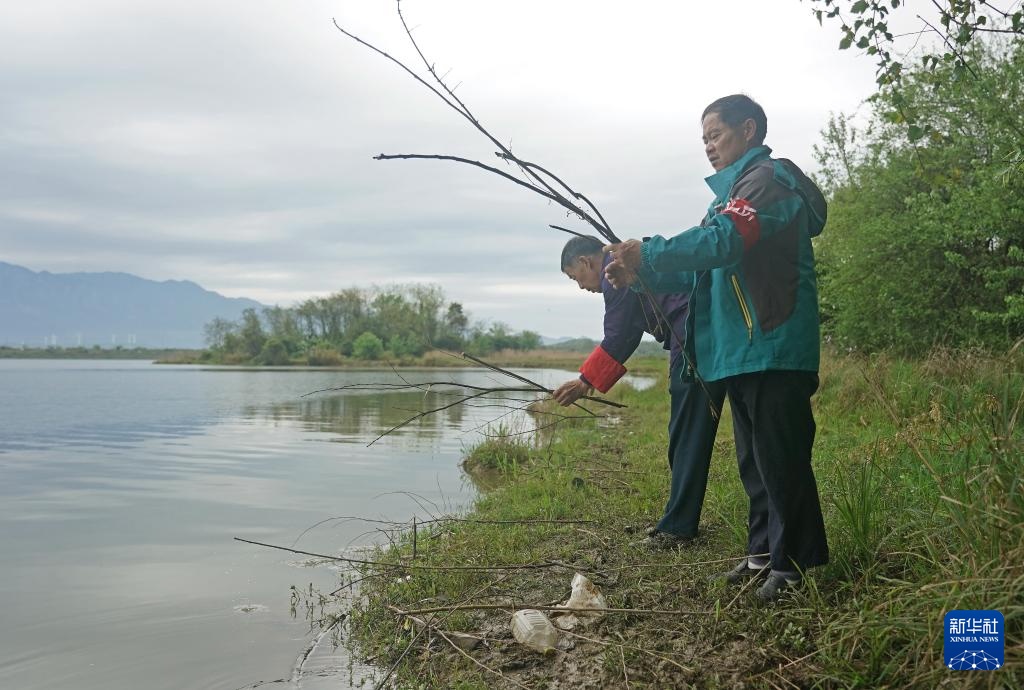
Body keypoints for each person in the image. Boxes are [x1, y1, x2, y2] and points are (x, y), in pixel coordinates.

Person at [604, 94, 829, 602]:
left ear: (748, 129)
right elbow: (701, 269)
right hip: (741, 349)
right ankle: (762, 555)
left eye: (716, 135)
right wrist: (642, 272)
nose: (708, 146)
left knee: (781, 458)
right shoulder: (729, 196)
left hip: (772, 342)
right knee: (755, 460)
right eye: (703, 139)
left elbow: (724, 240)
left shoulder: (766, 182)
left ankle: (793, 568)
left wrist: (648, 249)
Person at [552, 234, 726, 548]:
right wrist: (588, 379)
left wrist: (584, 382)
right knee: (691, 431)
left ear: (585, 261)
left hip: (693, 334)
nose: (580, 286)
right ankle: (680, 521)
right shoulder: (626, 264)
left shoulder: (613, 271)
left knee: (686, 433)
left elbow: (619, 334)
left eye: (575, 277)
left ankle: (678, 528)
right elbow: (630, 331)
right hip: (706, 329)